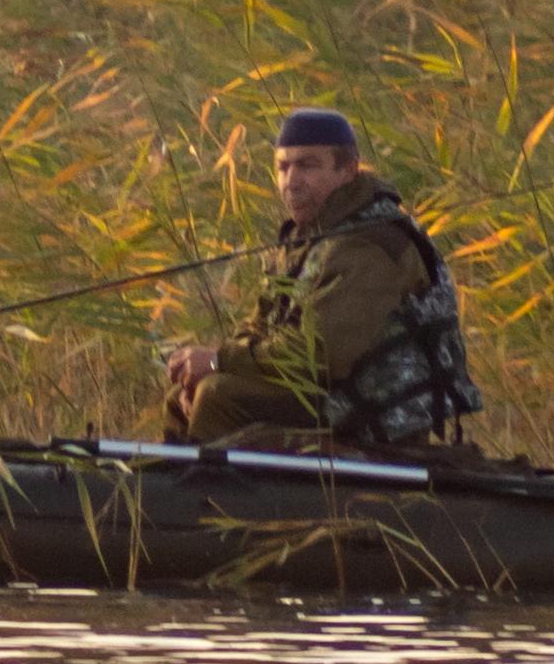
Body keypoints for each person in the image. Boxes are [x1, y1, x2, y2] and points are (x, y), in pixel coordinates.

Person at [158, 109, 483, 452]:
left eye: (307, 165)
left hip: (371, 416)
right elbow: (260, 327)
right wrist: (212, 365)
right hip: (327, 397)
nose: (292, 180)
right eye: (283, 167)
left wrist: (217, 361)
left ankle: (209, 497)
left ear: (348, 169)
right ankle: (168, 491)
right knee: (185, 395)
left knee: (218, 396)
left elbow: (317, 356)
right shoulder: (308, 238)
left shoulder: (372, 244)